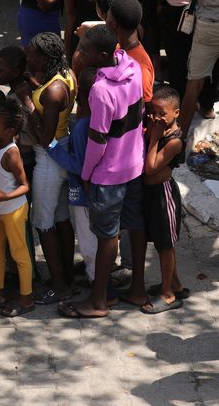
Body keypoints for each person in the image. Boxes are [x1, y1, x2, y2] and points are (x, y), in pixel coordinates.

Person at [59, 25, 144, 318]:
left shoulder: (99, 89)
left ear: (103, 54)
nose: (80, 53)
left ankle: (98, 301)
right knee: (134, 226)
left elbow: (98, 140)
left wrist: (86, 173)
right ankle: (138, 289)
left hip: (108, 174)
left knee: (107, 238)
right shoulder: (132, 66)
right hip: (134, 164)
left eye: (85, 50)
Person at [24, 33, 78, 304]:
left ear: (44, 58)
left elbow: (45, 137)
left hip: (48, 157)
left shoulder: (53, 91)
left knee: (43, 223)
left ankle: (60, 286)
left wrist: (28, 104)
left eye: (32, 53)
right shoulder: (65, 74)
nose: (28, 56)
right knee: (60, 218)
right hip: (62, 148)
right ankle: (67, 276)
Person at [47, 67, 99, 285]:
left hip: (84, 191)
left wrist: (51, 146)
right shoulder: (99, 121)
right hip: (101, 188)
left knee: (87, 239)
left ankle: (96, 279)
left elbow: (78, 165)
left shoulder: (81, 127)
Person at [140, 86, 187, 315]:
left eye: (163, 113)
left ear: (176, 113)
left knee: (166, 246)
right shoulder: (159, 128)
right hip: (151, 195)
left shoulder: (174, 140)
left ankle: (168, 295)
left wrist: (154, 138)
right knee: (161, 243)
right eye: (154, 112)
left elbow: (150, 168)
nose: (158, 118)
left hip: (163, 194)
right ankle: (175, 284)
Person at [0, 96, 33, 317]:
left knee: (19, 252)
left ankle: (26, 297)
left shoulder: (11, 153)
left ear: (9, 131)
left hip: (14, 210)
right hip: (1, 210)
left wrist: (5, 196)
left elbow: (25, 185)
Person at [107, 0, 154, 104]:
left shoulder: (140, 67)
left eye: (107, 17)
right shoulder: (119, 47)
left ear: (114, 24)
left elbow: (146, 105)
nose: (105, 22)